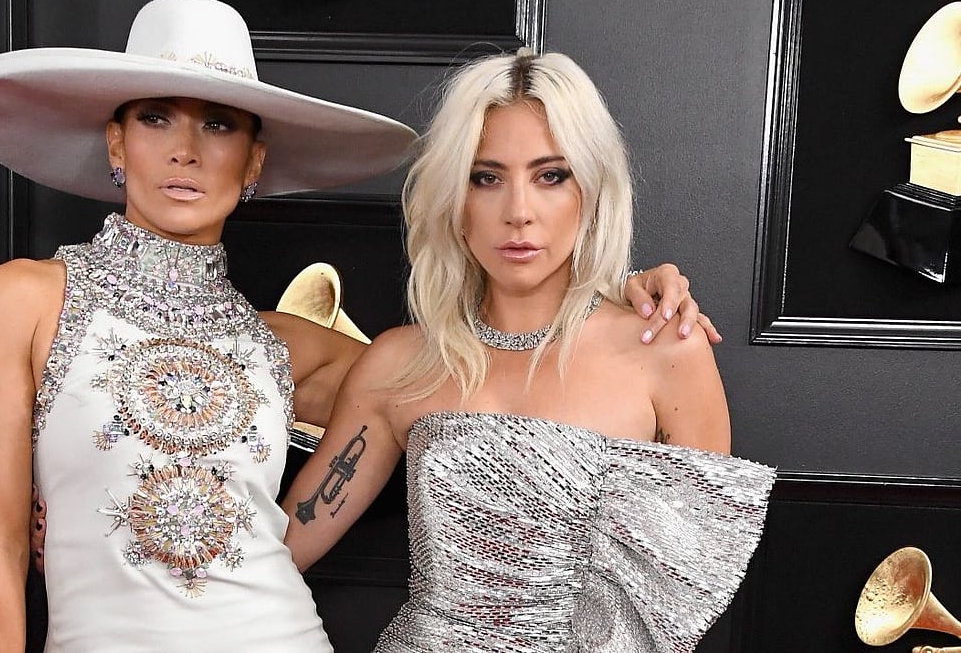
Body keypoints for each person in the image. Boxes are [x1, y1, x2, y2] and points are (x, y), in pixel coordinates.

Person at [0, 0, 714, 653]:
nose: (185, 150)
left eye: (219, 124)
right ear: (117, 141)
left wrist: (618, 293)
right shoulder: (24, 300)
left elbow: (504, 390)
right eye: (155, 117)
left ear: (254, 161)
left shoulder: (287, 346)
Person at [281, 50, 775, 652]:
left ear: (591, 189)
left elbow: (685, 597)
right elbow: (282, 554)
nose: (518, 212)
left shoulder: (664, 347)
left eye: (551, 176)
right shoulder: (397, 365)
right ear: (453, 197)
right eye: (485, 178)